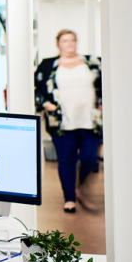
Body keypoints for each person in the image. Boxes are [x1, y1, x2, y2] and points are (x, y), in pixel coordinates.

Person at [35, 29, 103, 213]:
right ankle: (70, 197)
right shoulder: (48, 65)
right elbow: (37, 89)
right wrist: (46, 104)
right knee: (67, 160)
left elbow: (105, 85)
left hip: (90, 121)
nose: (70, 44)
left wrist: (102, 104)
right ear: (59, 44)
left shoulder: (92, 63)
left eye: (73, 40)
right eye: (65, 41)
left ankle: (80, 188)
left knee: (89, 157)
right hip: (62, 122)